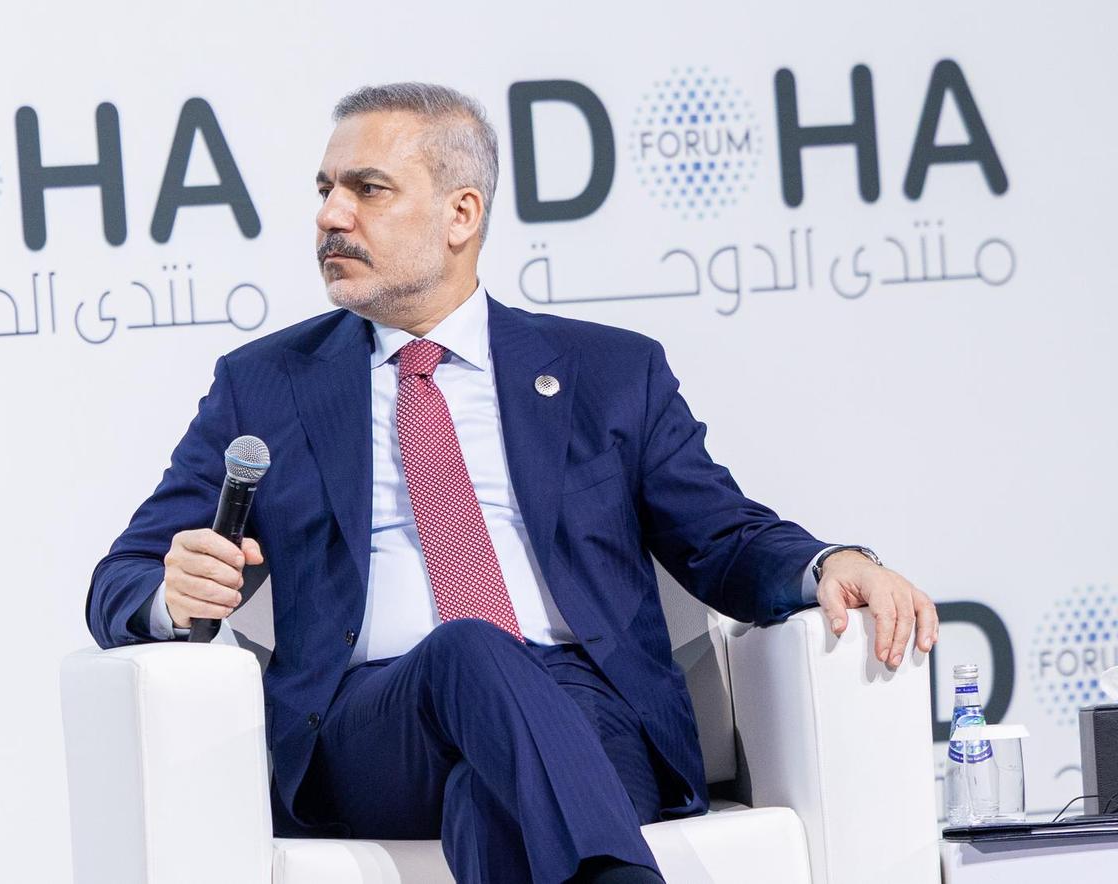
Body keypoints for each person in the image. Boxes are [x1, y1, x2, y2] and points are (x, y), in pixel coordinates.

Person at [86, 82, 939, 884]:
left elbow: (719, 535)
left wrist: (828, 561)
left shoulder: (609, 371)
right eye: (324, 190)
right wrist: (169, 596)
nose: (330, 216)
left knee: (490, 804)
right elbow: (119, 580)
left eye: (368, 189)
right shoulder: (266, 385)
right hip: (374, 721)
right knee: (468, 646)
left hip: (585, 705)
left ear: (463, 214)